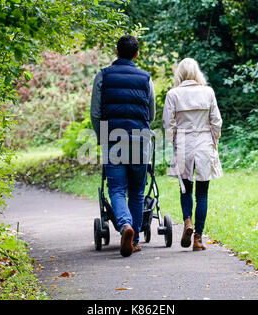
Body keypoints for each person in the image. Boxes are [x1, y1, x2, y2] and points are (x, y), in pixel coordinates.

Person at [90, 35, 156, 257]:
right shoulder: (146, 79)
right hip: (139, 139)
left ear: (116, 52)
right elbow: (152, 113)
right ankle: (134, 239)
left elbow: (96, 113)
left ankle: (125, 225)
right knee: (137, 192)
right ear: (136, 54)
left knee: (116, 189)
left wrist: (103, 138)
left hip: (113, 139)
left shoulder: (103, 76)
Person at [163, 58, 223, 251]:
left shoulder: (173, 94)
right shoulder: (208, 92)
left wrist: (173, 142)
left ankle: (187, 221)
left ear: (179, 74)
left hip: (183, 143)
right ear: (197, 73)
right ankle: (197, 238)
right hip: (204, 143)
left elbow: (168, 124)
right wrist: (214, 140)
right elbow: (216, 121)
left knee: (185, 188)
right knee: (202, 194)